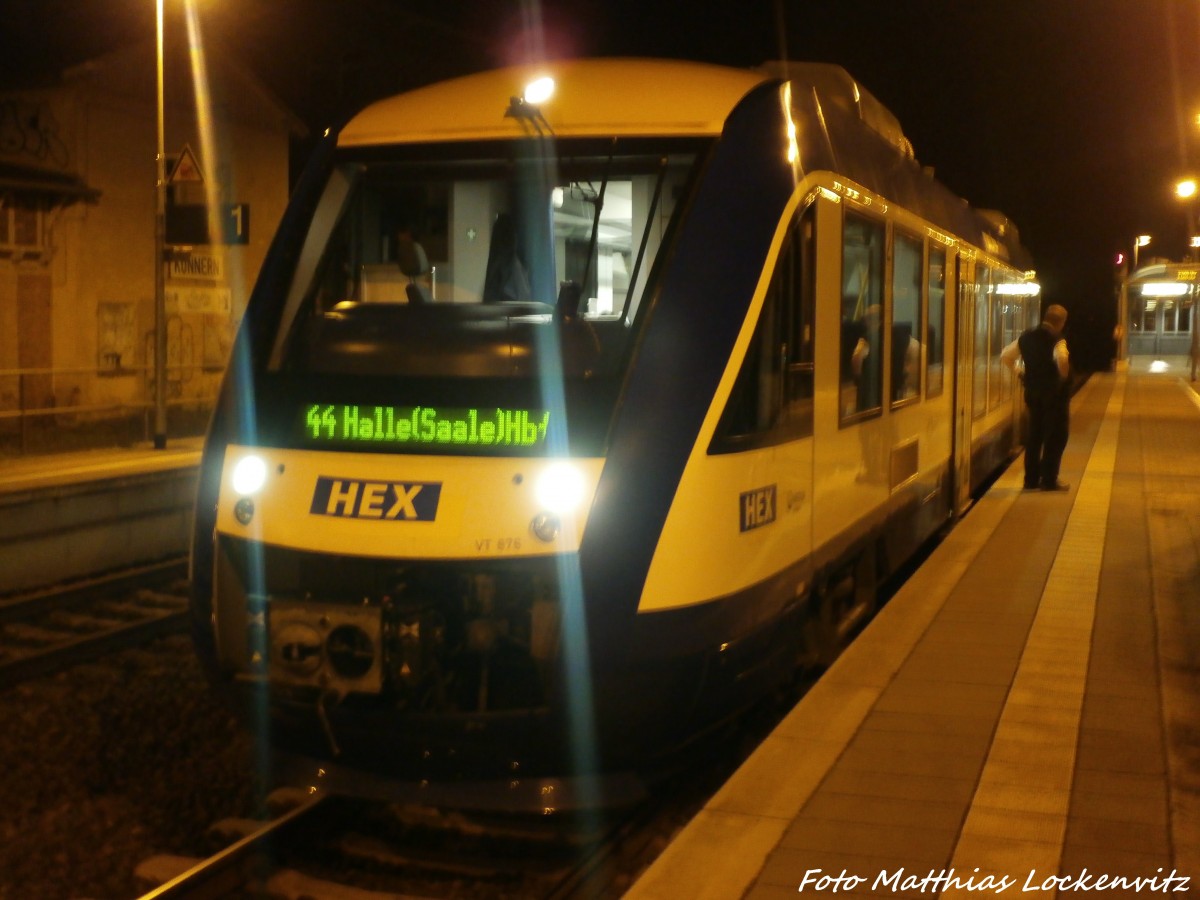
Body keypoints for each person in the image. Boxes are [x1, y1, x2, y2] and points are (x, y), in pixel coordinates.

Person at [1001, 303, 1071, 491]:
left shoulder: (1026, 336)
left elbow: (1006, 356)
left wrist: (1020, 373)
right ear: (1061, 322)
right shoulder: (1058, 339)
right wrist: (1062, 377)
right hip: (1054, 396)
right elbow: (1062, 359)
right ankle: (1048, 480)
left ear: (1046, 317)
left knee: (1034, 436)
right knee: (1055, 436)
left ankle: (1030, 480)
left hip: (1032, 393)